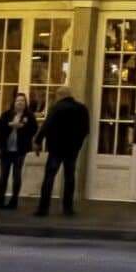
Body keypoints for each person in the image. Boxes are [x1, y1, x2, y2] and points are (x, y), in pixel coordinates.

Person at [36, 88, 90, 217]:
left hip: (56, 148)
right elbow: (85, 129)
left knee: (49, 176)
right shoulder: (81, 108)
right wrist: (78, 144)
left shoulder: (56, 108)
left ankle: (43, 208)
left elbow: (46, 126)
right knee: (69, 177)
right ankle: (68, 208)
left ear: (60, 95)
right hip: (72, 148)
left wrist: (38, 141)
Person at [0, 92, 39, 210]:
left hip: (20, 150)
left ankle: (14, 200)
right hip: (6, 149)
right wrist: (10, 125)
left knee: (16, 175)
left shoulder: (29, 116)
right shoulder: (7, 114)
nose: (20, 103)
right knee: (3, 175)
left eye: (23, 101)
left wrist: (22, 128)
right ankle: (0, 199)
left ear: (26, 103)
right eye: (18, 100)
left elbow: (34, 129)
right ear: (14, 102)